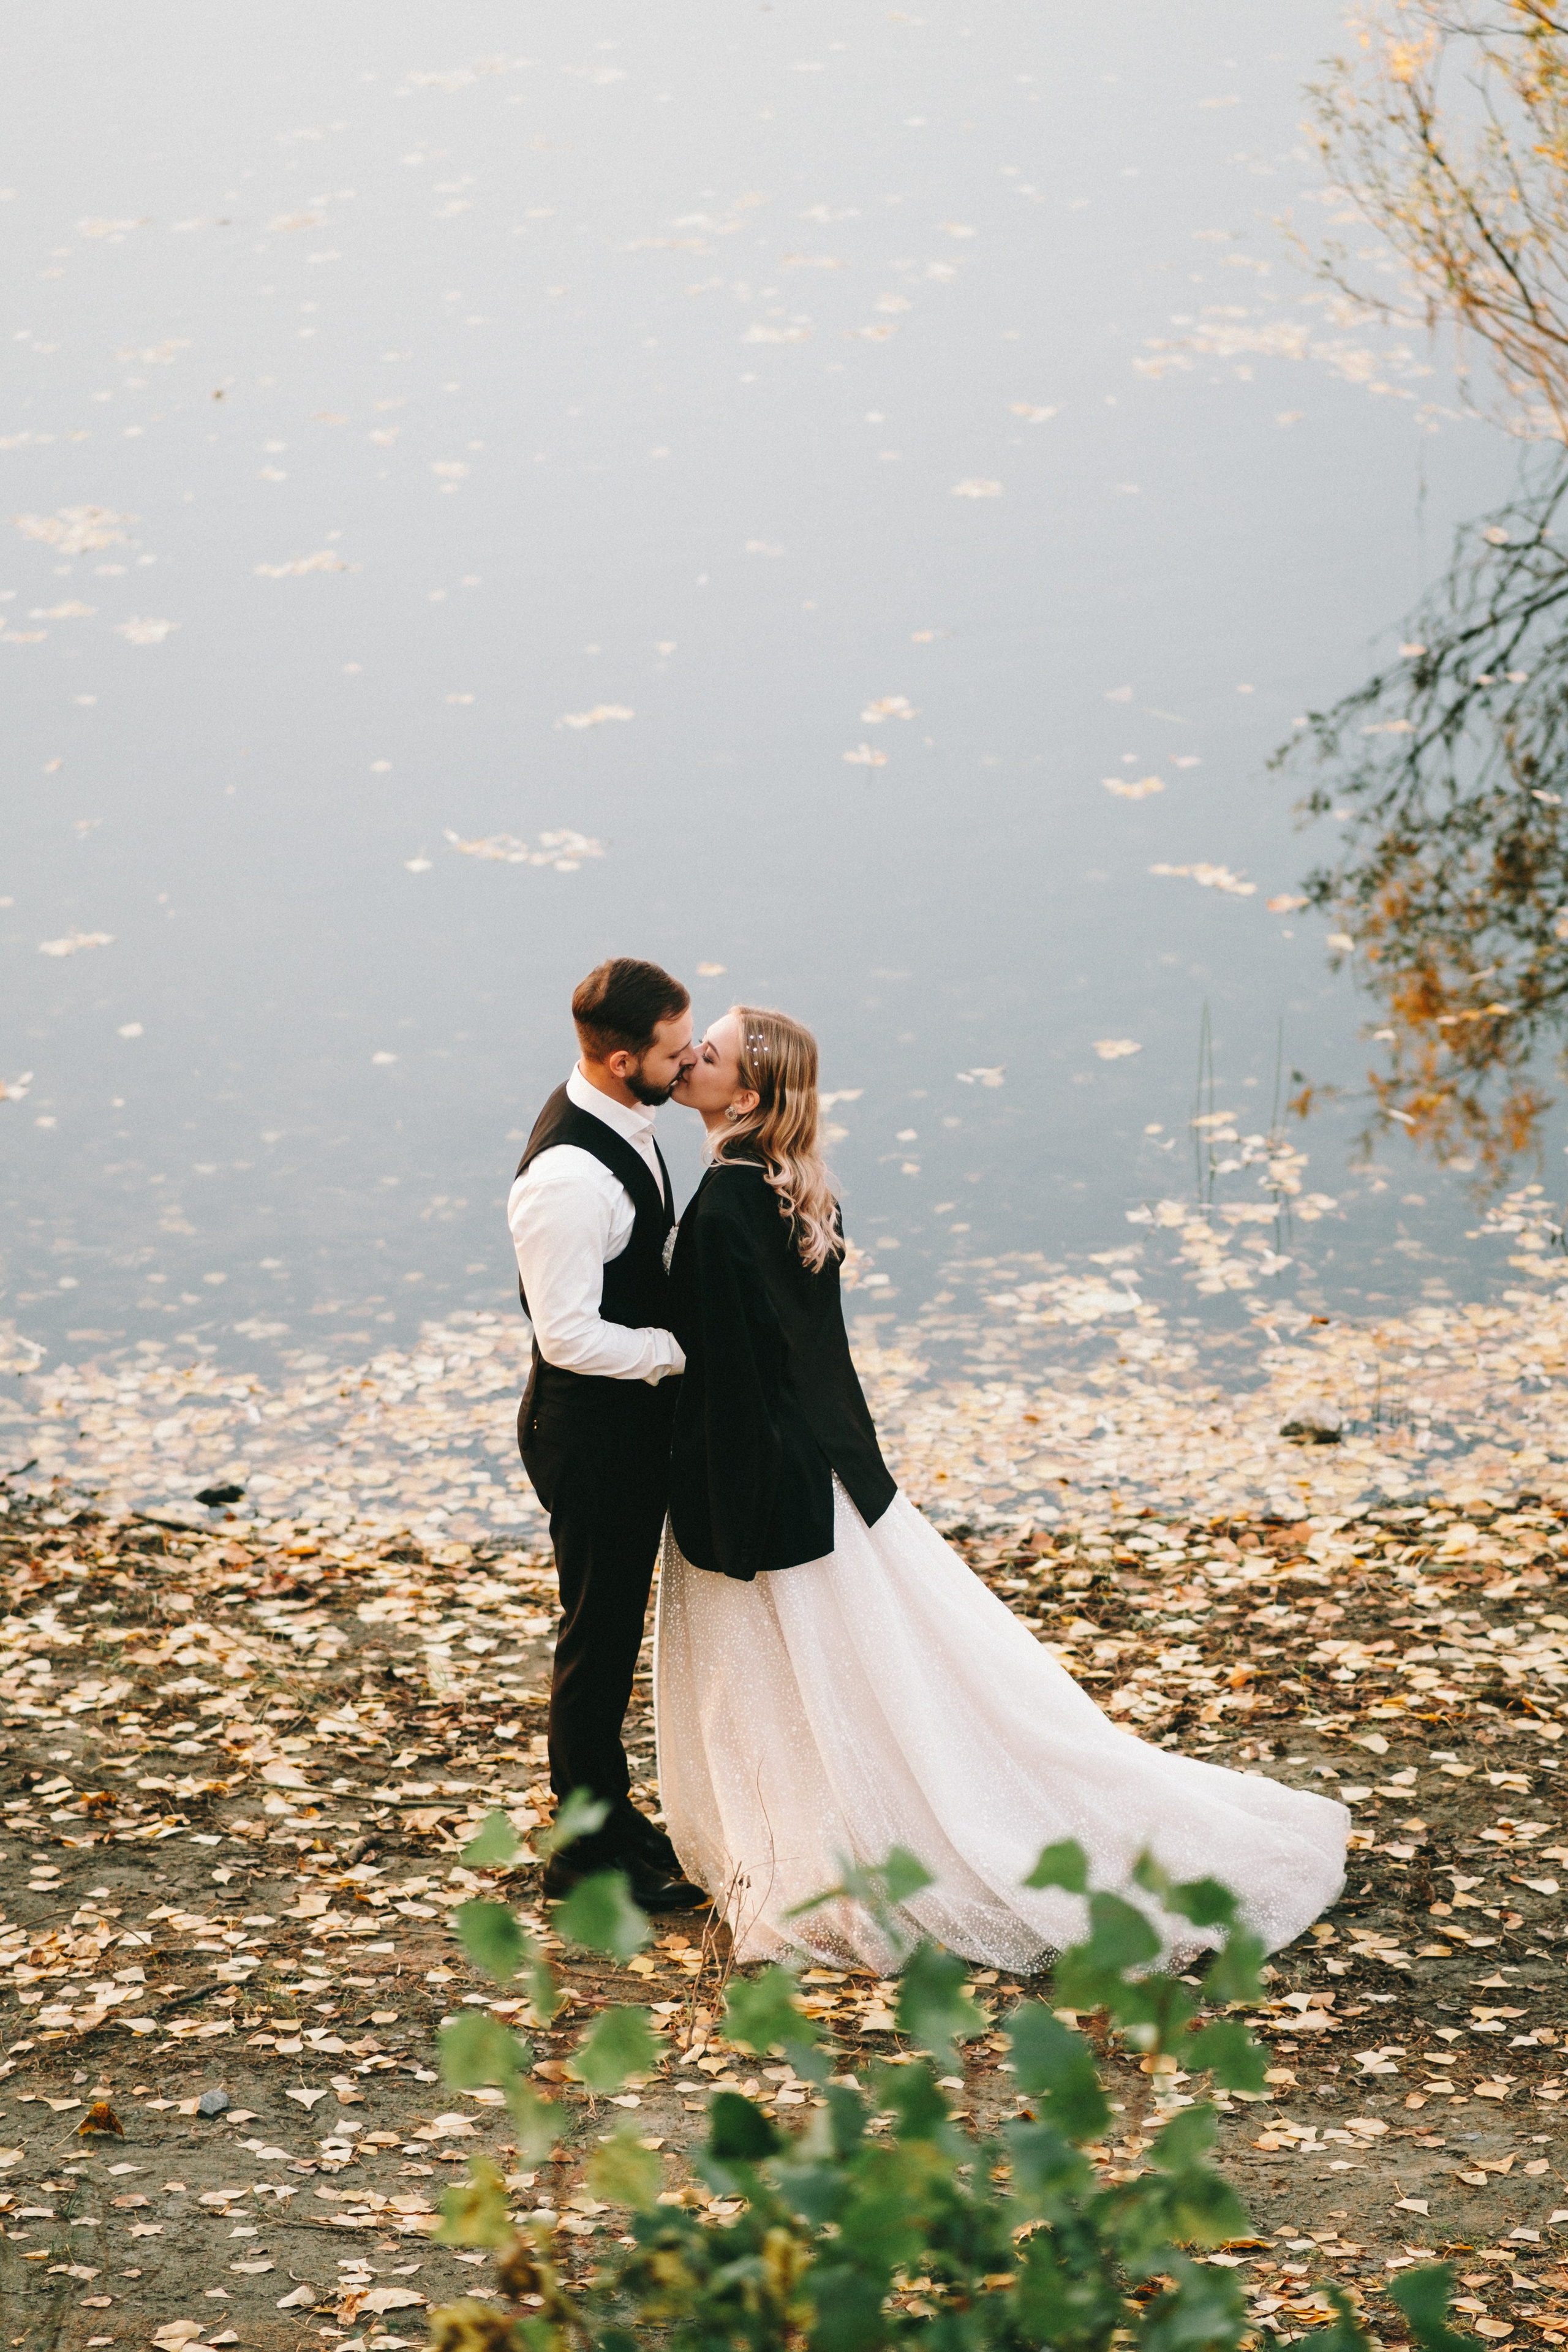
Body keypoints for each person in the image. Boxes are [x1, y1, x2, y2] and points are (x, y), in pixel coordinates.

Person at [655, 1005, 1349, 1969]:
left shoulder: (727, 1202)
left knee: (805, 1689)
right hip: (836, 1465)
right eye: (694, 1046)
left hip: (770, 1484)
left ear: (750, 1092)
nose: (689, 1059)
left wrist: (710, 1508)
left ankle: (836, 1866)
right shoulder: (795, 1188)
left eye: (711, 1052)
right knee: (871, 1681)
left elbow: (734, 1377)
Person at [508, 957, 706, 1911]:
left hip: (621, 1431)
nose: (691, 1059)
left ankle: (611, 1816)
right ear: (624, 1059)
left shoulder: (626, 1118)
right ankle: (581, 1851)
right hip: (588, 1436)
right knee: (598, 1636)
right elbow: (569, 1336)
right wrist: (677, 1349)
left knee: (613, 1628)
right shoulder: (569, 1178)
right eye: (675, 1052)